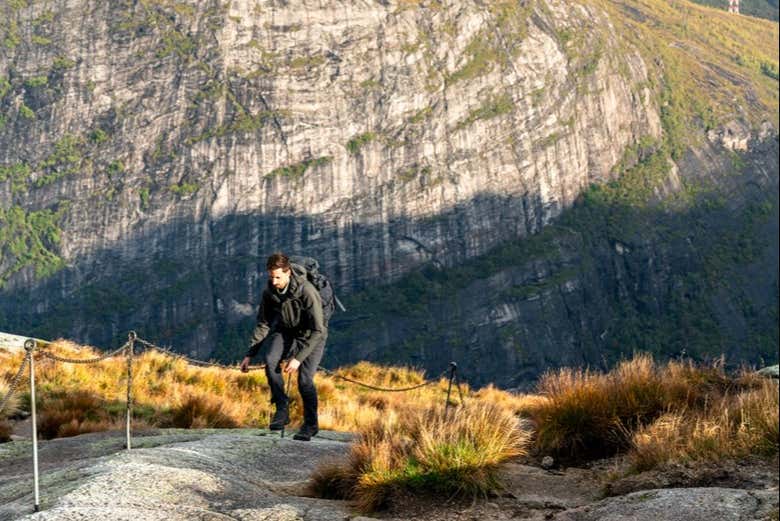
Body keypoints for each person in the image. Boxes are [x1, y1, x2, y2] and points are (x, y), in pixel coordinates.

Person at [240, 252, 327, 441]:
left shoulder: (307, 291)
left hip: (312, 335)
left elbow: (318, 330)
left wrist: (298, 359)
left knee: (304, 380)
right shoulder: (269, 292)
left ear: (288, 273)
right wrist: (250, 354)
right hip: (286, 329)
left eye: (278, 277)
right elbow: (263, 323)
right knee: (271, 362)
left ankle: (310, 425)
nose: (274, 282)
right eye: (271, 277)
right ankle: (282, 409)